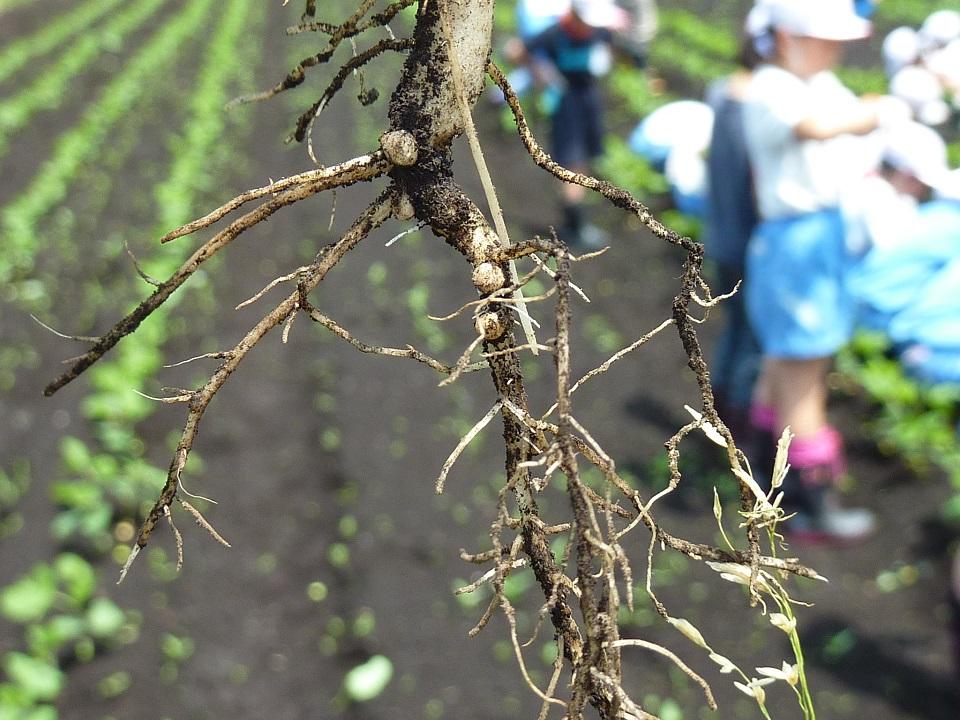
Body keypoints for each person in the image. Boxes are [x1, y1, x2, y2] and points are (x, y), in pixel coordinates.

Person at [740, 0, 906, 542]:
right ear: (788, 36)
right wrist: (875, 113)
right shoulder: (771, 87)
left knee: (788, 365)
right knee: (803, 374)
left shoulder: (815, 81)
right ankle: (811, 499)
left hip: (819, 234)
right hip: (797, 243)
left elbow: (844, 110)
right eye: (825, 39)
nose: (836, 50)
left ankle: (763, 472)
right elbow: (813, 126)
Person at [520, 0, 635, 248]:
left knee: (583, 160)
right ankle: (574, 224)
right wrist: (540, 73)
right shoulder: (555, 34)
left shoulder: (599, 32)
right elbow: (519, 50)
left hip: (589, 101)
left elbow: (616, 47)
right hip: (567, 102)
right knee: (572, 162)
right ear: (573, 16)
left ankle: (577, 221)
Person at [701, 7, 766, 440]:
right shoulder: (759, 109)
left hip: (721, 234)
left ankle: (715, 411)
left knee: (735, 328)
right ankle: (735, 427)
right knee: (752, 336)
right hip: (751, 241)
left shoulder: (721, 92)